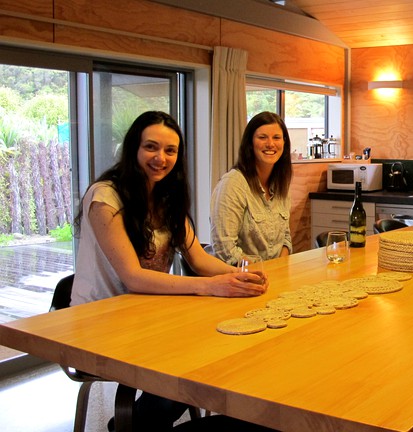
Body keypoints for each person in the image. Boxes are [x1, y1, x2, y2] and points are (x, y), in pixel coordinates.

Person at [71, 111, 268, 431]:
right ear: (134, 148)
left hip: (148, 314)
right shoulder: (105, 196)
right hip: (101, 320)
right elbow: (132, 276)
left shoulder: (168, 196)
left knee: (216, 354)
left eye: (170, 150)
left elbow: (199, 260)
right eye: (151, 147)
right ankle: (128, 425)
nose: (161, 158)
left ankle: (137, 422)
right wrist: (211, 287)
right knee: (181, 374)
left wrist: (238, 273)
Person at [210, 111, 293, 264]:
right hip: (240, 279)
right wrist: (261, 272)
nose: (270, 144)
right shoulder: (233, 184)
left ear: (284, 142)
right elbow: (225, 249)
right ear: (250, 143)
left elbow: (285, 239)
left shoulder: (281, 184)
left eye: (276, 137)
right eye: (262, 137)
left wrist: (277, 269)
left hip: (275, 277)